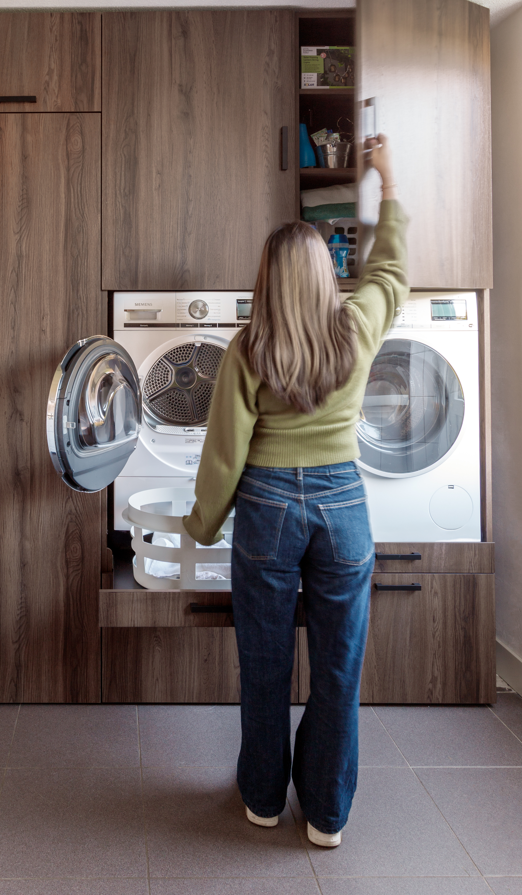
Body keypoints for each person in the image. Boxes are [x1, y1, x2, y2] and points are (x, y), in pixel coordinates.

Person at [182, 136, 408, 847]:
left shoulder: (249, 346)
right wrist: (385, 178)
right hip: (344, 508)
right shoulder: (358, 327)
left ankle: (260, 798)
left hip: (267, 508)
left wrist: (200, 523)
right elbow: (393, 269)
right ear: (324, 274)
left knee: (265, 662)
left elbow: (226, 452)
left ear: (267, 278)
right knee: (338, 668)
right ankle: (326, 815)